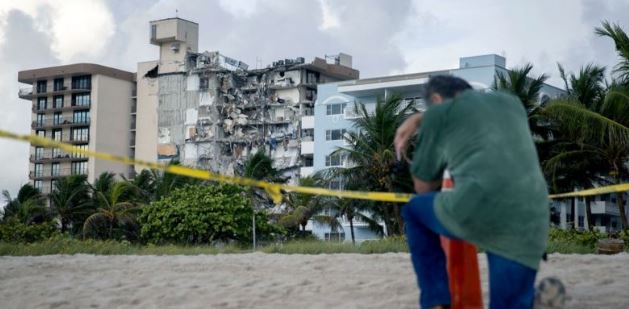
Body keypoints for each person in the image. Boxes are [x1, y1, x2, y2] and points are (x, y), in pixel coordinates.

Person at [395, 75, 553, 309]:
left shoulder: (440, 114)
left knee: (415, 211)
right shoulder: (510, 103)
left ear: (437, 99)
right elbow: (472, 113)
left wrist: (425, 130)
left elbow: (423, 186)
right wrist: (421, 118)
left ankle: (436, 301)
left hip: (478, 207)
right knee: (510, 303)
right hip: (532, 218)